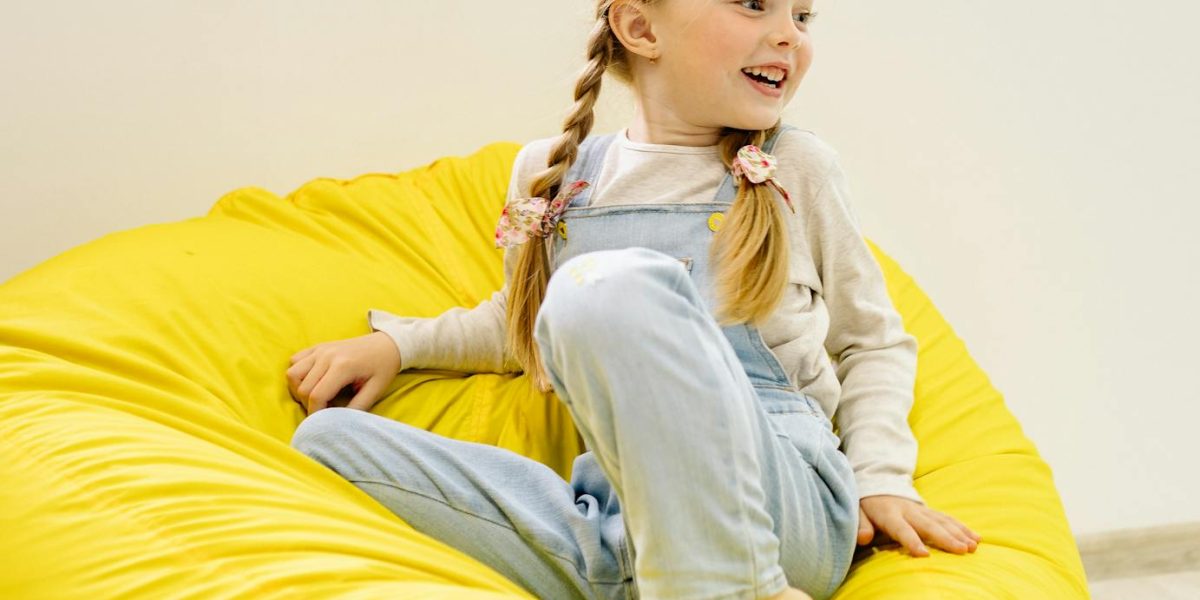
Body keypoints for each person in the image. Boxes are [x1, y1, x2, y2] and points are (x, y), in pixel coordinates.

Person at [286, 1, 980, 598]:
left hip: (777, 501)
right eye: (753, 4)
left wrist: (881, 479)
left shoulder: (795, 167)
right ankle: (676, 578)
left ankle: (735, 582)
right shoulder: (552, 174)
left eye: (802, 15)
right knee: (328, 441)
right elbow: (522, 324)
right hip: (616, 521)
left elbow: (870, 340)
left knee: (600, 289)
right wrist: (398, 345)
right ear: (642, 27)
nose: (790, 34)